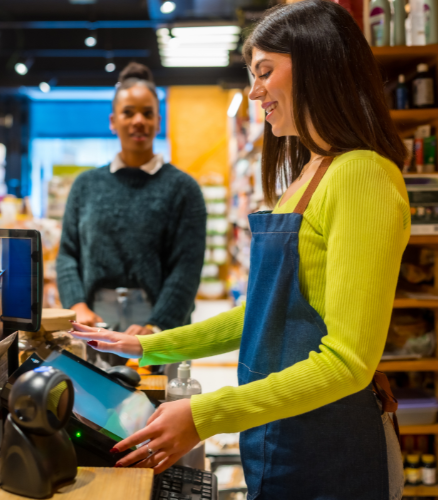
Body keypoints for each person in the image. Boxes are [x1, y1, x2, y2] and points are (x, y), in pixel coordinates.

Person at [69, 2, 410, 498]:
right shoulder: (311, 174)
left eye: (265, 72)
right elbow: (260, 315)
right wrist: (146, 346)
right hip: (285, 429)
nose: (255, 91)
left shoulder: (363, 175)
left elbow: (347, 363)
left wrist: (207, 415)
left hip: (334, 450)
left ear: (317, 63)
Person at [56, 62, 206, 362]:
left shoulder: (184, 189)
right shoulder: (86, 185)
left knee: (157, 403)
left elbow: (187, 268)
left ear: (158, 121)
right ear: (113, 121)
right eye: (128, 113)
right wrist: (77, 304)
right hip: (95, 321)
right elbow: (67, 254)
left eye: (147, 113)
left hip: (159, 322)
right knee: (93, 404)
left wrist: (158, 323)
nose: (138, 121)